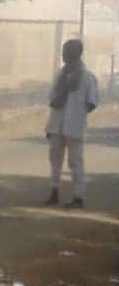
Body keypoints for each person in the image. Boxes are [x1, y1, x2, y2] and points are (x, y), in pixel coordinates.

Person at [45, 38, 98, 208]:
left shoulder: (88, 77)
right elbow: (51, 99)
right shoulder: (59, 74)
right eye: (64, 51)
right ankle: (54, 192)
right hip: (56, 124)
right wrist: (62, 96)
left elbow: (91, 103)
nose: (64, 54)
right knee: (55, 160)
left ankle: (78, 198)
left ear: (77, 53)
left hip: (75, 126)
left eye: (67, 51)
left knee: (75, 162)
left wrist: (75, 113)